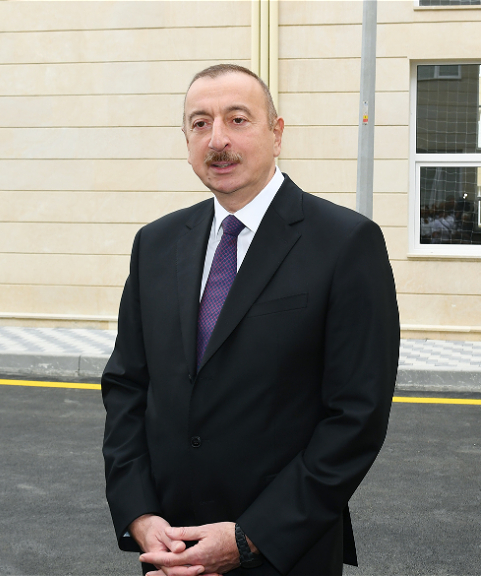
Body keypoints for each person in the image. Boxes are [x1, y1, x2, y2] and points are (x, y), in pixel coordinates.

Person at [102, 63, 400, 576]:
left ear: (276, 133)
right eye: (200, 123)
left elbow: (356, 416)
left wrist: (250, 537)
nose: (217, 139)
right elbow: (128, 387)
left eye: (237, 119)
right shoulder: (155, 244)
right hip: (170, 550)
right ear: (186, 139)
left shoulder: (346, 243)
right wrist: (140, 514)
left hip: (284, 551)